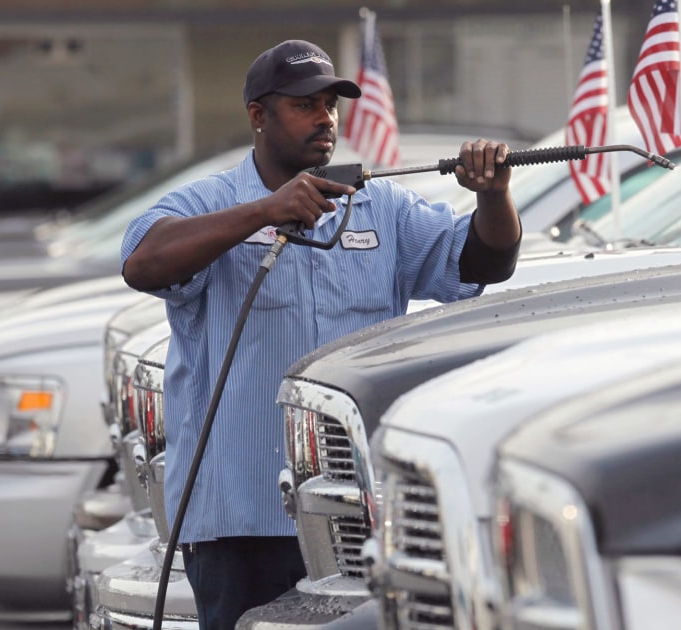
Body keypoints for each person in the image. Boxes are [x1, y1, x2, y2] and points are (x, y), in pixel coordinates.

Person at [120, 39, 521, 629]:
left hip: (356, 517)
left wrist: (494, 195)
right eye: (305, 105)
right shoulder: (211, 201)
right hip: (241, 517)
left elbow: (482, 264)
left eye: (332, 104)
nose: (325, 118)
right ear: (258, 115)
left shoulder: (381, 205)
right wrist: (262, 212)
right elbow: (141, 262)